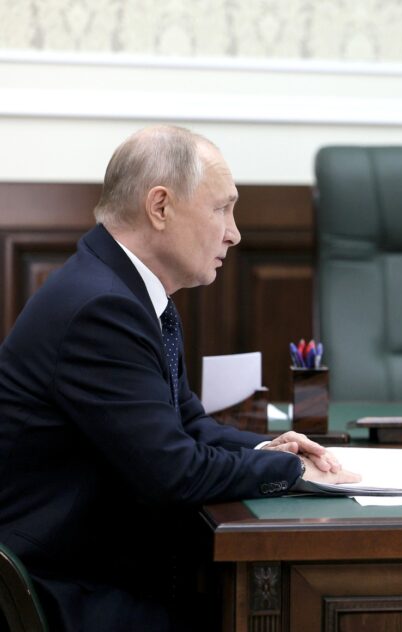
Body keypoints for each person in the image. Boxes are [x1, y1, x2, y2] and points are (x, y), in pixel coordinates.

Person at [0, 125, 360, 632]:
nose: (234, 233)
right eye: (221, 209)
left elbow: (188, 424)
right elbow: (174, 472)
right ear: (160, 207)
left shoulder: (128, 292)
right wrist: (290, 471)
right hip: (59, 589)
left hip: (103, 568)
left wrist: (270, 448)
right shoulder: (101, 308)